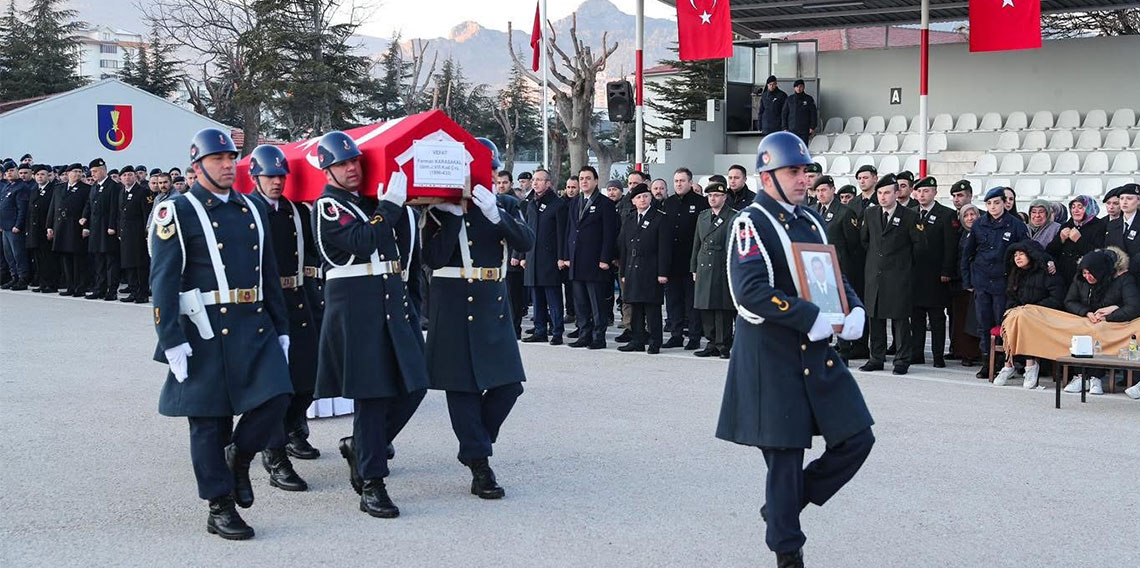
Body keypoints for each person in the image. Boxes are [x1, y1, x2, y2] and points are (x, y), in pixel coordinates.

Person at [717, 132, 873, 568]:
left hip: (817, 352)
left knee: (858, 438)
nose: (803, 179)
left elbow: (830, 275)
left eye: (805, 171)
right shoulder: (751, 222)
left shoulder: (811, 221)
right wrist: (807, 316)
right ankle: (788, 553)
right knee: (784, 460)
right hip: (774, 357)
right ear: (767, 176)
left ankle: (783, 507)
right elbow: (749, 292)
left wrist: (852, 307)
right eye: (793, 171)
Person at [149, 128, 293, 540]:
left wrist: (280, 326)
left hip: (252, 321)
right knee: (209, 422)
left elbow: (268, 271)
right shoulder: (177, 211)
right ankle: (220, 506)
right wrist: (170, 337)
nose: (229, 165)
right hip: (204, 328)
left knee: (277, 396)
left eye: (232, 158)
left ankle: (240, 458)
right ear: (198, 166)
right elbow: (163, 279)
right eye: (218, 160)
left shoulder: (251, 207)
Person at [311, 130, 429, 518]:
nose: (351, 169)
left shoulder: (369, 202)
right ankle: (372, 483)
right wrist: (391, 205)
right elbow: (362, 241)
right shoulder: (328, 207)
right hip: (358, 310)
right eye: (343, 164)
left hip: (391, 302)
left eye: (354, 162)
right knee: (372, 396)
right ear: (327, 169)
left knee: (416, 384)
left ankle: (362, 447)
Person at [421, 136, 534, 500]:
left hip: (492, 302)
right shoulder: (440, 209)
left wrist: (495, 214)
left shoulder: (505, 204)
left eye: (492, 171)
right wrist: (452, 219)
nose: (486, 177)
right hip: (452, 303)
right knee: (463, 389)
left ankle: (477, 443)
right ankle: (480, 465)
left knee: (508, 385)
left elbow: (526, 242)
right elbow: (432, 258)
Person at [244, 144, 321, 492]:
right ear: (255, 177)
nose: (277, 182)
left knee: (307, 379)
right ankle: (274, 454)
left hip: (299, 297)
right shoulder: (248, 210)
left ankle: (292, 429)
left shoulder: (294, 210)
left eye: (281, 176)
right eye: (270, 176)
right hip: (265, 302)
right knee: (275, 386)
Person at [961, 187, 1030, 379]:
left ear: (1004, 203)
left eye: (997, 203)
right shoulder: (979, 225)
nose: (993, 207)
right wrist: (968, 281)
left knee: (1002, 324)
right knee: (984, 323)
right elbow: (967, 254)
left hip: (1003, 282)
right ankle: (986, 362)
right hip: (982, 281)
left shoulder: (1015, 225)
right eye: (989, 203)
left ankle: (1002, 362)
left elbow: (1027, 250)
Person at [859, 174, 923, 375]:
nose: (883, 197)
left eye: (887, 192)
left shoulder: (910, 216)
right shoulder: (870, 214)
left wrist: (903, 266)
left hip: (899, 275)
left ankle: (902, 360)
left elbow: (920, 246)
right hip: (875, 275)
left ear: (897, 193)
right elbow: (865, 241)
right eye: (879, 193)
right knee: (875, 317)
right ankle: (876, 358)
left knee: (900, 319)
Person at [1061, 249, 1140, 395]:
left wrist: (1109, 315)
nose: (1087, 277)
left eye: (1090, 273)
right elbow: (1070, 301)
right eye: (1084, 273)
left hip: (1112, 324)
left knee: (1099, 333)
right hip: (1088, 319)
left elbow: (1133, 306)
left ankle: (1095, 377)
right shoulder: (1080, 280)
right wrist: (1085, 312)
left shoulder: (1120, 279)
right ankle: (1080, 376)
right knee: (1079, 332)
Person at [992, 241, 1064, 388]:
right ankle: (1008, 365)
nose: (1017, 258)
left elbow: (1057, 297)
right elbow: (1011, 297)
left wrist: (1032, 308)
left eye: (1021, 254)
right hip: (1020, 314)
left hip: (1042, 314)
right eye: (1015, 255)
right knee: (1011, 317)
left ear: (1030, 255)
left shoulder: (1047, 272)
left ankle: (1031, 365)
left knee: (1024, 319)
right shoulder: (1015, 273)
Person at [564, 165, 617, 350]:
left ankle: (598, 336)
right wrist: (566, 255)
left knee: (597, 302)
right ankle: (584, 334)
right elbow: (570, 231)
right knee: (580, 302)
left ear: (595, 181)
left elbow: (609, 235)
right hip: (577, 260)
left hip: (595, 262)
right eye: (581, 179)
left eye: (588, 178)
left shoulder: (605, 204)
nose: (584, 181)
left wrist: (605, 258)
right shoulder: (574, 203)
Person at [616, 183, 671, 354]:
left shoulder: (659, 217)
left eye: (646, 196)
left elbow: (665, 248)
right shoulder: (630, 219)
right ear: (633, 201)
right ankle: (637, 340)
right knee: (635, 307)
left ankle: (655, 341)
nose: (643, 199)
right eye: (639, 197)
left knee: (652, 308)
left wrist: (663, 272)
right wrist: (623, 271)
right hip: (632, 269)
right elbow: (623, 247)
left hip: (651, 268)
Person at [910, 176, 958, 368]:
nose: (922, 195)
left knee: (937, 317)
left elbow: (950, 246)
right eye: (919, 191)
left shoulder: (946, 214)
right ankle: (917, 353)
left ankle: (938, 355)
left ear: (935, 193)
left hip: (936, 274)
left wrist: (947, 270)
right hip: (915, 274)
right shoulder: (911, 213)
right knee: (916, 317)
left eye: (926, 191)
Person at [519, 168, 567, 344]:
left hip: (550, 258)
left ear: (548, 183)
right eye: (534, 180)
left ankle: (557, 331)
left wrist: (561, 257)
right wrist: (523, 254)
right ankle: (539, 330)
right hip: (532, 257)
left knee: (553, 298)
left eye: (540, 180)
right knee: (536, 298)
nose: (535, 183)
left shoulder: (558, 204)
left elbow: (562, 234)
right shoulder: (531, 203)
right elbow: (526, 230)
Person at [662, 167, 708, 350]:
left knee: (692, 302)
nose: (679, 184)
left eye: (682, 181)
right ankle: (676, 334)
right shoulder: (668, 203)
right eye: (676, 181)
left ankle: (695, 336)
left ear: (690, 182)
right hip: (672, 262)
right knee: (673, 301)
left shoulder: (701, 203)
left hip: (692, 262)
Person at [690, 181, 737, 358]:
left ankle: (723, 344)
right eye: (710, 196)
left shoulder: (733, 216)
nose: (713, 198)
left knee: (722, 308)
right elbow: (697, 244)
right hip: (704, 265)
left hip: (722, 265)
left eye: (716, 195)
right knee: (705, 306)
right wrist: (693, 267)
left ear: (724, 197)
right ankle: (711, 342)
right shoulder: (703, 216)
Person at [78, 158, 121, 300]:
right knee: (98, 261)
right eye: (92, 172)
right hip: (96, 229)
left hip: (107, 229)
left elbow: (115, 209)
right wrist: (85, 218)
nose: (93, 174)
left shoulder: (114, 187)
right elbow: (89, 205)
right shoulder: (94, 187)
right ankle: (99, 288)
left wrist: (112, 226)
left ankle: (111, 290)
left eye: (95, 171)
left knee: (110, 261)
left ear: (104, 170)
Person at [47, 164, 91, 297]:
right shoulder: (59, 188)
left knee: (78, 260)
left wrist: (86, 226)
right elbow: (52, 208)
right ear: (68, 173)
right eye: (74, 171)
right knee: (65, 258)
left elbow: (87, 209)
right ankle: (70, 286)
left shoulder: (86, 189)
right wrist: (49, 226)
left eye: (79, 171)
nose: (77, 174)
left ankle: (80, 286)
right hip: (61, 227)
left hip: (75, 227)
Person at [951, 204, 983, 367]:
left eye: (973, 214)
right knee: (962, 319)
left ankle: (977, 353)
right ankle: (964, 352)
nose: (970, 218)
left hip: (978, 282)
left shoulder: (983, 232)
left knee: (976, 319)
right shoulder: (961, 234)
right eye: (966, 215)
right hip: (962, 282)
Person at [1049, 195, 1105, 286]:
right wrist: (1061, 239)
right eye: (1073, 207)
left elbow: (1098, 254)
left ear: (1089, 208)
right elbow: (1051, 251)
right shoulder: (1066, 225)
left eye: (1080, 207)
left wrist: (1079, 240)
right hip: (1063, 276)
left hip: (1085, 277)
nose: (1075, 210)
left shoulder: (1099, 226)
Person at [497, 170, 528, 338]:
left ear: (511, 184)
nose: (501, 186)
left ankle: (515, 329)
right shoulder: (493, 201)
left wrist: (516, 255)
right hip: (498, 258)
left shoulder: (517, 203)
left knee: (514, 297)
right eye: (499, 183)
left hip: (512, 258)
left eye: (505, 182)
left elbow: (520, 230)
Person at [118, 166, 152, 302]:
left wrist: (146, 233)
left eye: (130, 174)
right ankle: (133, 291)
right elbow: (119, 214)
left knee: (140, 265)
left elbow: (147, 214)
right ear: (121, 179)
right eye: (125, 175)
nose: (127, 177)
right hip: (126, 234)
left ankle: (142, 293)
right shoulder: (121, 192)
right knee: (129, 264)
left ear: (135, 177)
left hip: (138, 234)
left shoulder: (143, 192)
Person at [26, 165, 59, 293]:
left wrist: (50, 228)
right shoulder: (34, 190)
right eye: (38, 174)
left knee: (48, 258)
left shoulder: (53, 190)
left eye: (43, 174)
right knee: (38, 258)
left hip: (46, 229)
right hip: (35, 230)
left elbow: (53, 211)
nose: (40, 177)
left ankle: (51, 283)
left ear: (48, 176)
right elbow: (30, 212)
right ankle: (42, 282)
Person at [0, 162, 30, 290]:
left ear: (16, 171)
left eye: (12, 170)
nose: (9, 173)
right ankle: (14, 277)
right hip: (5, 227)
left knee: (18, 254)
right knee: (9, 255)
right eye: (7, 172)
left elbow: (22, 209)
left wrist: (18, 225)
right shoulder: (7, 187)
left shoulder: (21, 187)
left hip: (14, 227)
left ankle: (23, 278)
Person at [1103, 184, 1138, 277]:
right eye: (1121, 198)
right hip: (1116, 277)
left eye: (1129, 198)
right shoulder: (1112, 225)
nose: (1124, 202)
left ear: (1138, 201)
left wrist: (1125, 268)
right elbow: (1108, 249)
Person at [781, 79, 817, 144]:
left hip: (804, 130)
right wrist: (785, 127)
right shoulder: (789, 99)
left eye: (800, 86)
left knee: (803, 148)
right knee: (792, 148)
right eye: (797, 87)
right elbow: (784, 114)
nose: (798, 88)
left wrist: (812, 126)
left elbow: (813, 114)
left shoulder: (809, 99)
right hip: (792, 129)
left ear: (803, 87)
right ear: (794, 88)